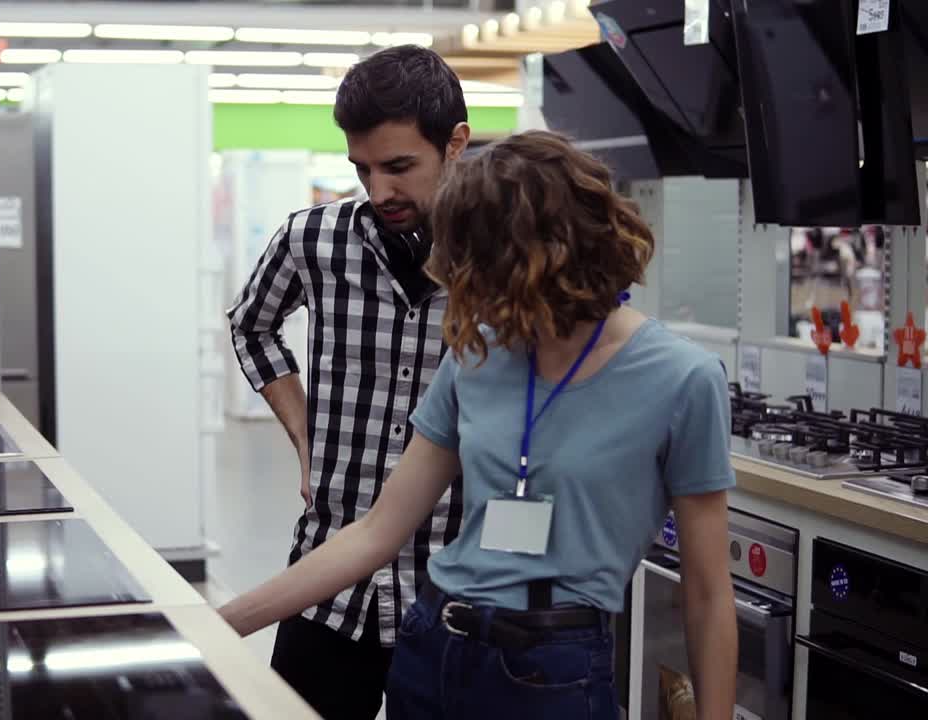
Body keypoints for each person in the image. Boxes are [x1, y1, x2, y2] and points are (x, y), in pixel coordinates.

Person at [221, 131, 739, 720]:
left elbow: (706, 593)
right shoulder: (478, 355)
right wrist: (219, 626)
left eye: (480, 271)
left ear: (543, 257)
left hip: (551, 674)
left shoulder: (683, 379)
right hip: (430, 650)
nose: (465, 294)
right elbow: (374, 535)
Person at [225, 46, 470, 719]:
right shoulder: (313, 240)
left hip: (454, 593)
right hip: (328, 580)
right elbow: (251, 326)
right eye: (362, 169)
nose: (379, 190)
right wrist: (303, 432)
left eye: (399, 167)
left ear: (455, 144)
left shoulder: (501, 256)